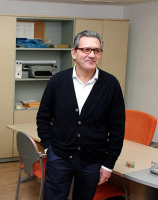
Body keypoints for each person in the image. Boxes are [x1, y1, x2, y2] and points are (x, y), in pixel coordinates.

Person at [36, 30, 125, 200]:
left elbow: (117, 128)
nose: (92, 55)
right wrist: (48, 147)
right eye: (86, 50)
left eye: (96, 50)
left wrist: (108, 164)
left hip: (92, 162)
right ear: (74, 53)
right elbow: (43, 118)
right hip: (59, 158)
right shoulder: (58, 81)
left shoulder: (111, 84)